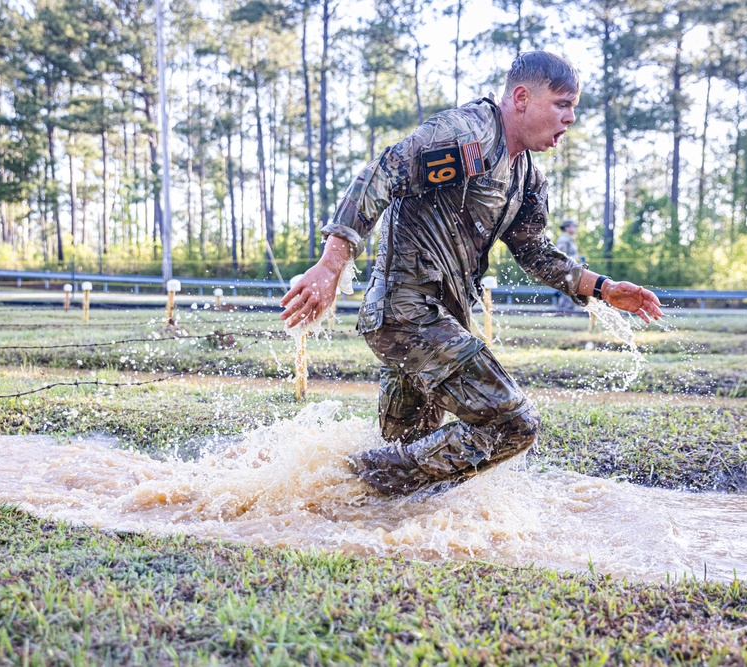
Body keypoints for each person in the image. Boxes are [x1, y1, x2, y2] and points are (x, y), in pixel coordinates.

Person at [281, 51, 663, 496]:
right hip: (407, 313)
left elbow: (535, 252)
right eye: (562, 104)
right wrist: (331, 265)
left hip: (436, 322)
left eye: (573, 107)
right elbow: (383, 173)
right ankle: (357, 471)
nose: (571, 118)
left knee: (409, 470)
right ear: (522, 97)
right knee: (513, 423)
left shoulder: (527, 179)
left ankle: (323, 492)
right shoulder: (469, 135)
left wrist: (602, 287)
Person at [554, 218, 580, 312]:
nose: (575, 228)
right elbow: (561, 255)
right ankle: (564, 310)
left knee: (570, 288)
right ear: (567, 228)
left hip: (571, 268)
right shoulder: (564, 239)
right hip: (567, 268)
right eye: (573, 226)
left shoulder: (569, 238)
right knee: (568, 288)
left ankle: (566, 309)